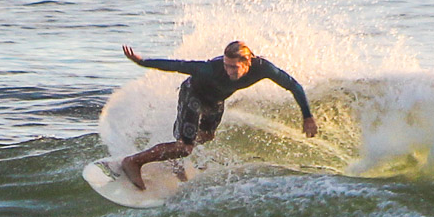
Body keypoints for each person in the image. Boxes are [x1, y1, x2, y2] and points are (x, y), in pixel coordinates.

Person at [117, 40, 318, 189]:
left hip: (216, 101)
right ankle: (134, 161)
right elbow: (179, 65)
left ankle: (173, 156)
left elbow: (294, 86)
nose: (229, 70)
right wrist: (143, 62)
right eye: (226, 65)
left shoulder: (263, 68)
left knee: (206, 136)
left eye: (234, 67)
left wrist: (307, 116)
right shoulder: (210, 69)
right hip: (193, 96)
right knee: (185, 148)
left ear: (248, 62)